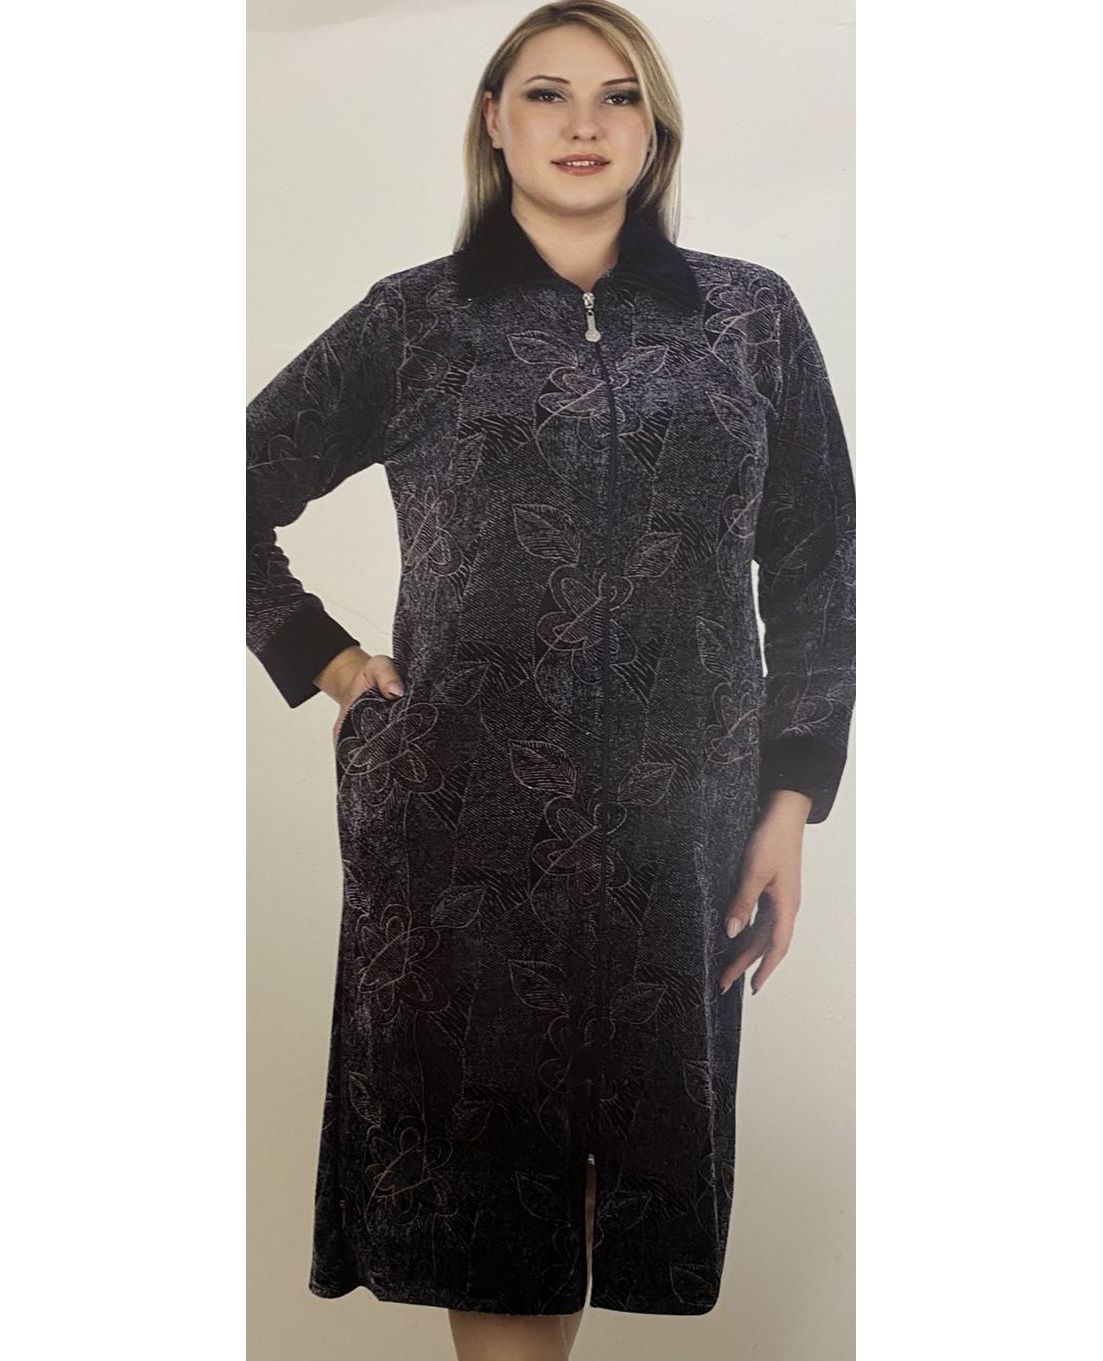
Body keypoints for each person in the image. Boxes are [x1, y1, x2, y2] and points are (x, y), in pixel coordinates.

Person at [246, 2, 855, 1356]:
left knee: (618, 1173)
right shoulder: (416, 321)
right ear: (494, 120)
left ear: (656, 127)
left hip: (679, 827)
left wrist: (790, 802)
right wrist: (330, 661)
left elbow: (819, 562)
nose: (585, 124)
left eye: (618, 96)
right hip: (461, 828)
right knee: (495, 1203)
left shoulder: (749, 318)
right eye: (547, 93)